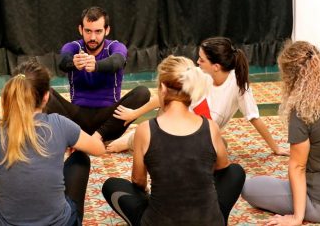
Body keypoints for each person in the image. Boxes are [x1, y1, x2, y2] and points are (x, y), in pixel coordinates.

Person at [102, 55, 246, 225]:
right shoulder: (211, 127)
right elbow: (222, 168)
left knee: (111, 185)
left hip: (159, 221)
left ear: (163, 88)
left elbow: (138, 181)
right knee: (235, 172)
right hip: (207, 220)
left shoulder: (145, 130)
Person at [108, 37, 289, 156]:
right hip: (175, 124)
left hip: (200, 133)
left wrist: (276, 149)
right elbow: (163, 97)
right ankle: (133, 139)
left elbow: (254, 118)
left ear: (216, 66)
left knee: (219, 146)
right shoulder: (198, 74)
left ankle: (147, 139)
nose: (197, 62)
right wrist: (134, 114)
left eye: (202, 59)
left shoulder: (238, 85)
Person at [0, 60, 106, 225]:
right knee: (81, 158)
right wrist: (75, 141)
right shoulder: (60, 124)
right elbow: (99, 149)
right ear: (46, 96)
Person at [241, 41, 320, 225]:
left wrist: (297, 217)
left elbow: (298, 167)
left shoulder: (303, 110)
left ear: (290, 76)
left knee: (250, 187)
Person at [45, 6, 150, 147]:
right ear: (80, 29)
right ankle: (78, 135)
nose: (92, 37)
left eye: (98, 31)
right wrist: (73, 63)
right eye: (88, 31)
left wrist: (96, 65)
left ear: (107, 30)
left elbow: (117, 62)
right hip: (76, 118)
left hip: (109, 121)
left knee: (143, 92)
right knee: (39, 90)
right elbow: (63, 62)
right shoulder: (73, 47)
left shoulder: (115, 47)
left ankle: (96, 136)